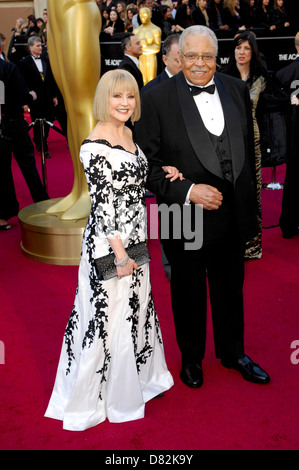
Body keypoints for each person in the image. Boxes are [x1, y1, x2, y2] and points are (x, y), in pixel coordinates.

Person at [44, 69, 182, 430]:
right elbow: (103, 206)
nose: (124, 103)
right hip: (110, 242)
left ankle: (139, 380)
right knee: (109, 313)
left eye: (130, 97)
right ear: (104, 99)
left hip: (135, 235)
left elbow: (135, 176)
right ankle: (103, 397)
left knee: (138, 306)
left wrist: (161, 168)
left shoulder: (129, 133)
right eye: (117, 96)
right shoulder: (93, 145)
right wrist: (119, 255)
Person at [134, 25, 270, 389]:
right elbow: (144, 166)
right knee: (187, 290)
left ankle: (233, 352)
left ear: (216, 57)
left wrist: (250, 210)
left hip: (232, 212)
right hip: (182, 213)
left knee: (230, 287)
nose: (198, 64)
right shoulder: (156, 96)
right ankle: (191, 359)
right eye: (190, 56)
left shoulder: (236, 88)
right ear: (178, 57)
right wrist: (190, 190)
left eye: (206, 56)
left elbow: (244, 150)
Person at [221, 31, 267, 259]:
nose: (241, 52)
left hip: (254, 141)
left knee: (253, 189)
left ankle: (252, 245)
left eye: (246, 48)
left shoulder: (262, 79)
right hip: (229, 140)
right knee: (232, 190)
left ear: (253, 52)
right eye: (238, 48)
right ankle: (232, 241)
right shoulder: (223, 77)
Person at [0, 54, 49, 230]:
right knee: (28, 166)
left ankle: (3, 217)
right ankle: (43, 205)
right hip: (14, 124)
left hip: (2, 125)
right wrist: (31, 96)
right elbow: (21, 96)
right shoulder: (8, 68)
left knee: (2, 172)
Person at [19, 36, 58, 159]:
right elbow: (22, 82)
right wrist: (26, 99)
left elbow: (51, 79)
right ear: (31, 47)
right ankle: (42, 146)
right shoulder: (24, 63)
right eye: (38, 45)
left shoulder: (46, 60)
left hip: (47, 96)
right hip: (34, 98)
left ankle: (41, 138)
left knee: (49, 120)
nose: (41, 47)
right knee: (37, 121)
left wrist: (54, 95)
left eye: (41, 45)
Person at [276, 32, 299, 239]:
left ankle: (290, 224)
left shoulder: (283, 74)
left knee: (292, 180)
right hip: (292, 138)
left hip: (292, 139)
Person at [133, 7, 162, 85]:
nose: (142, 17)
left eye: (145, 14)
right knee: (141, 80)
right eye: (141, 15)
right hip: (141, 59)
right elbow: (133, 47)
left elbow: (157, 48)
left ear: (149, 15)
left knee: (151, 80)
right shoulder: (136, 31)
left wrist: (144, 48)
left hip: (151, 58)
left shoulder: (156, 29)